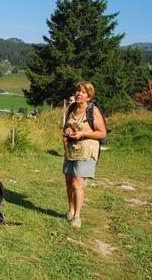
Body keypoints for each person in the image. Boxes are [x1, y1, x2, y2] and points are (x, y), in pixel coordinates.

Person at [62, 81, 106, 228]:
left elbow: (102, 132)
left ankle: (77, 217)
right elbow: (67, 125)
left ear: (89, 96)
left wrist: (83, 133)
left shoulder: (92, 110)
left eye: (83, 92)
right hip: (71, 149)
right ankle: (71, 210)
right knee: (69, 181)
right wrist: (68, 130)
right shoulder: (72, 108)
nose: (79, 94)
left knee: (77, 183)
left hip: (87, 150)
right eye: (78, 91)